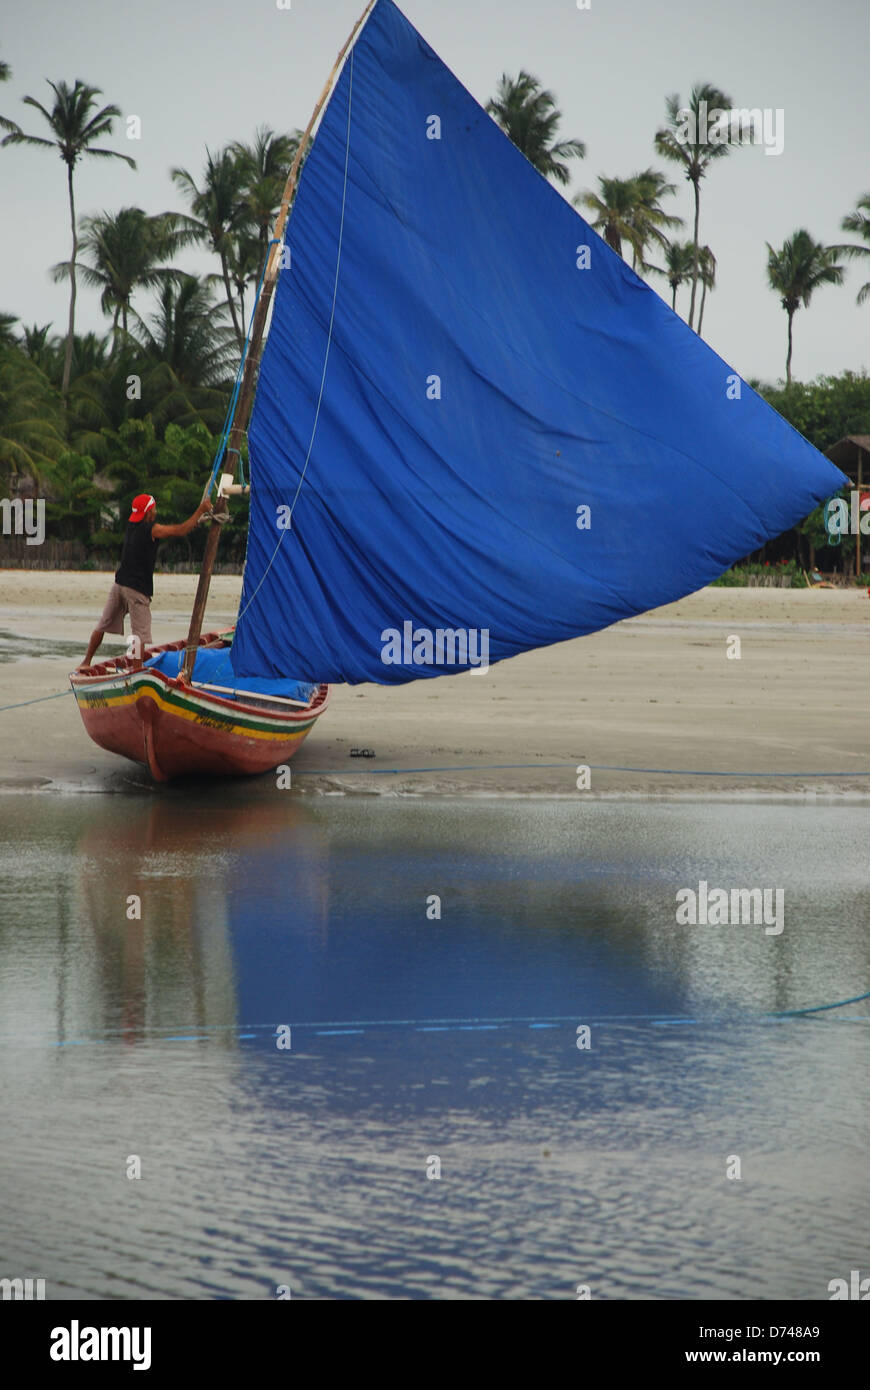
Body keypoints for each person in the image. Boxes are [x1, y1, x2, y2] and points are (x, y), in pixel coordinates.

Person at [78, 492, 213, 670]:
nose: (156, 512)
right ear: (148, 513)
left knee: (103, 624)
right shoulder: (152, 529)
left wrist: (197, 518)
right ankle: (136, 669)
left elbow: (181, 528)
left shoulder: (131, 525)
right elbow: (180, 530)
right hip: (136, 589)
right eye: (154, 509)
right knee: (139, 634)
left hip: (119, 584)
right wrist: (200, 510)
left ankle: (86, 662)